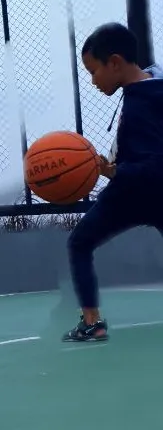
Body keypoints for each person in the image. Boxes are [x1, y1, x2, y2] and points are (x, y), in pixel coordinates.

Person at [63, 21, 163, 342]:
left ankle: (92, 323)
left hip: (133, 190)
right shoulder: (149, 86)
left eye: (94, 71)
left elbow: (156, 166)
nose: (92, 81)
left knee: (79, 243)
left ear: (115, 63)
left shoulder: (139, 106)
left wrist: (114, 171)